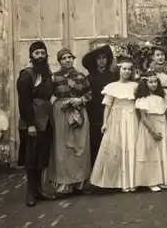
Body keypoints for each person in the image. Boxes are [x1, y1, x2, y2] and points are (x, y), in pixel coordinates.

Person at [90, 57, 139, 192]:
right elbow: (107, 106)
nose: (127, 71)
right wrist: (105, 123)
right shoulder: (112, 87)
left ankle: (131, 180)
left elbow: (139, 104)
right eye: (124, 69)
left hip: (131, 117)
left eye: (129, 69)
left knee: (131, 146)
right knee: (117, 147)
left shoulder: (135, 86)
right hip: (116, 119)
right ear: (119, 70)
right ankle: (118, 181)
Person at [47, 48, 92, 196]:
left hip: (79, 111)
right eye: (64, 58)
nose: (67, 60)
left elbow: (89, 94)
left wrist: (81, 99)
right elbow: (46, 95)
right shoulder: (54, 77)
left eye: (69, 57)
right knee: (63, 148)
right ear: (59, 61)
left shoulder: (81, 76)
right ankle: (64, 185)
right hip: (61, 113)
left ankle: (79, 183)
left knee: (80, 146)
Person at [17, 41, 57, 207]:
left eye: (43, 53)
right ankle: (30, 194)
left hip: (46, 121)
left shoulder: (47, 74)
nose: (41, 56)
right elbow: (24, 101)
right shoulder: (26, 75)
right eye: (37, 53)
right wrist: (30, 123)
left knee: (41, 157)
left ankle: (39, 190)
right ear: (31, 56)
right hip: (32, 122)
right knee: (31, 159)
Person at [134, 70, 167, 192]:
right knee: (151, 153)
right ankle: (151, 181)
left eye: (155, 82)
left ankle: (161, 178)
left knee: (161, 152)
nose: (153, 84)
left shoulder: (161, 98)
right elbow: (144, 118)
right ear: (145, 84)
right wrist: (153, 132)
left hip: (161, 124)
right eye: (150, 82)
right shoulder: (143, 99)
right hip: (150, 127)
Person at [82, 44, 115, 165]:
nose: (102, 61)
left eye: (104, 58)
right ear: (95, 61)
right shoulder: (89, 78)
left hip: (110, 110)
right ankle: (95, 168)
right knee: (95, 139)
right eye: (99, 58)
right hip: (94, 111)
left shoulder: (113, 76)